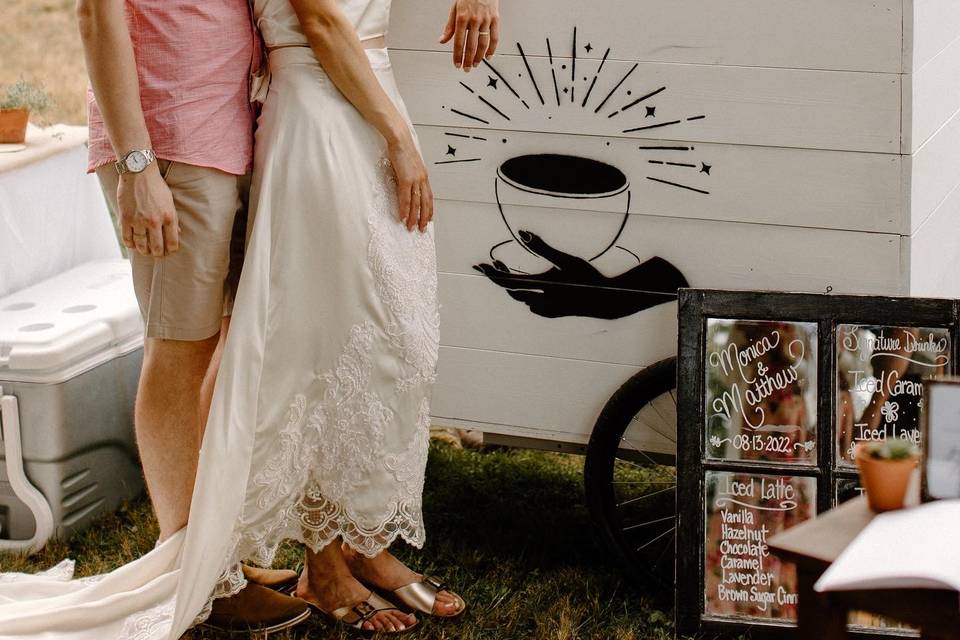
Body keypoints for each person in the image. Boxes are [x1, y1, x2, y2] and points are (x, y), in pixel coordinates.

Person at [0, 0, 501, 637]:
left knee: (244, 349)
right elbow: (96, 16)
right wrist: (135, 163)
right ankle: (195, 573)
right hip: (171, 141)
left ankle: (224, 557)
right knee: (179, 351)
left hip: (237, 129)